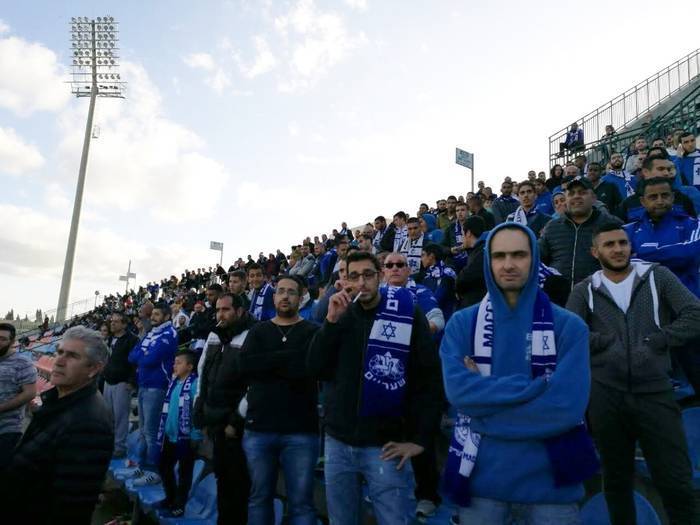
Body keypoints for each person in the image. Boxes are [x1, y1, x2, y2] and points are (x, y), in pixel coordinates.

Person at [441, 222, 594, 524]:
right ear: (488, 262)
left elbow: (566, 408)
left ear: (534, 259)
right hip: (481, 487)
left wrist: (484, 406)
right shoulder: (461, 324)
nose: (508, 264)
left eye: (519, 255)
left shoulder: (570, 327)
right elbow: (460, 394)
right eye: (499, 256)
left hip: (552, 490)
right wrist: (537, 388)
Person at [566, 222, 700, 525]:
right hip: (606, 396)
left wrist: (660, 339)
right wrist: (603, 343)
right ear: (595, 251)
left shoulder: (657, 276)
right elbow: (569, 334)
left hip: (655, 392)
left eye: (622, 243)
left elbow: (695, 313)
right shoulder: (584, 289)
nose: (618, 249)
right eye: (609, 244)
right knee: (616, 482)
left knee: (675, 481)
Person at [307, 251, 441, 525]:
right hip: (338, 442)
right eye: (353, 276)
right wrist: (330, 323)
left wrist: (420, 438)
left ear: (380, 276)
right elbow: (315, 368)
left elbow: (428, 378)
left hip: (385, 445)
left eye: (368, 275)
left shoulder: (407, 313)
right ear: (345, 280)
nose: (361, 282)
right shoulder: (339, 314)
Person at [0, 326, 113, 524]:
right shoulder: (60, 402)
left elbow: (69, 508)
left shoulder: (88, 423)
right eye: (59, 352)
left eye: (72, 356)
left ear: (94, 368)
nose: (59, 361)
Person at [238, 275, 320, 525]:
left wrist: (268, 361)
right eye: (281, 291)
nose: (285, 296)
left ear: (301, 297)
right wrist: (291, 359)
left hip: (301, 431)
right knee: (258, 498)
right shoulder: (258, 331)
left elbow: (312, 368)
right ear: (273, 298)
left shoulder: (313, 331)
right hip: (259, 429)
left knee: (302, 504)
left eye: (291, 292)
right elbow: (245, 367)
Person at [194, 293, 255, 525]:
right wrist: (200, 409)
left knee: (238, 483)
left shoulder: (252, 335)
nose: (221, 314)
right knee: (222, 477)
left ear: (239, 311)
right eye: (218, 310)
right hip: (215, 421)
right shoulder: (214, 335)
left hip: (238, 425)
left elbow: (253, 383)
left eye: (226, 309)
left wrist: (236, 420)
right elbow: (202, 373)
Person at [128, 302, 179, 485]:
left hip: (157, 387)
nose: (153, 317)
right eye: (153, 314)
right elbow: (132, 356)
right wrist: (143, 355)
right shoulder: (151, 333)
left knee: (151, 432)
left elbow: (151, 359)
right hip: (143, 384)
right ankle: (142, 466)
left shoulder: (169, 333)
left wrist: (143, 356)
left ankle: (154, 471)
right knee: (143, 431)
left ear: (167, 316)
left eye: (157, 314)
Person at [539, 176, 618, 288]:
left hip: (598, 295)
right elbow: (537, 257)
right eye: (571, 193)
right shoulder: (552, 227)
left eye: (582, 192)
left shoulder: (612, 225)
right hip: (559, 297)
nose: (576, 196)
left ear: (594, 198)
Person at [158, 350, 202, 517]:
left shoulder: (194, 385)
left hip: (186, 438)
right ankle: (170, 496)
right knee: (164, 467)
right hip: (170, 435)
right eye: (174, 362)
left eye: (179, 363)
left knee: (185, 472)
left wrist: (196, 435)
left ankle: (179, 504)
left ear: (190, 366)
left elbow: (197, 412)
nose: (174, 365)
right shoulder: (174, 383)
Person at [615, 154, 696, 222]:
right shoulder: (628, 205)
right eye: (661, 169)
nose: (666, 173)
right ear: (645, 172)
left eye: (668, 169)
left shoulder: (682, 200)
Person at [0, 323, 37, 468]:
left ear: (12, 341)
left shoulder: (23, 363)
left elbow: (30, 393)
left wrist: (2, 407)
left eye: (3, 339)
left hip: (8, 429)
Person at [103, 312, 139, 458]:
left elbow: (135, 363)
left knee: (120, 416)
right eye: (112, 321)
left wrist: (132, 382)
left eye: (116, 322)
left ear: (124, 324)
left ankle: (119, 447)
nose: (112, 324)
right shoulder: (110, 338)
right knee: (108, 416)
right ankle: (108, 444)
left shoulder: (132, 339)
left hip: (122, 383)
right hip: (108, 381)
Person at [455, 216, 488, 308]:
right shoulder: (478, 249)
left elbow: (465, 277)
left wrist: (457, 287)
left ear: (468, 233)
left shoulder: (483, 251)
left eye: (462, 234)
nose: (462, 238)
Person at [420, 243, 457, 322]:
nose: (421, 259)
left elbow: (437, 299)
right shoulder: (427, 274)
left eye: (423, 255)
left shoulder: (446, 273)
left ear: (431, 256)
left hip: (444, 318)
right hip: (430, 316)